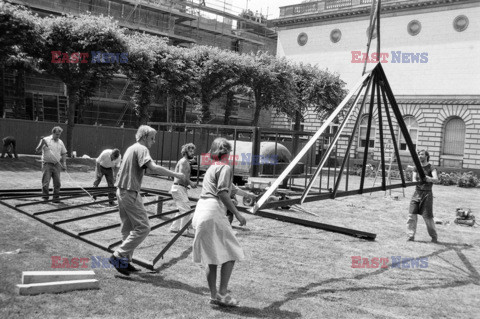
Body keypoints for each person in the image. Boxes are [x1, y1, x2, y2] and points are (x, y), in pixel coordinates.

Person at [109, 125, 186, 275]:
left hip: (121, 190)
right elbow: (153, 168)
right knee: (143, 228)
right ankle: (118, 255)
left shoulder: (131, 148)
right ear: (144, 137)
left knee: (128, 228)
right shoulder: (142, 149)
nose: (154, 141)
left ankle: (125, 262)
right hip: (130, 192)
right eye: (152, 138)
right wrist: (177, 175)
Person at [191, 137, 247, 307]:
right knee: (232, 252)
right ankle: (222, 293)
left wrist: (250, 195)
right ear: (228, 152)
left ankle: (214, 295)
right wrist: (237, 214)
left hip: (201, 210)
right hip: (213, 211)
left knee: (211, 256)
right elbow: (223, 192)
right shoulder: (226, 167)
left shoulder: (212, 168)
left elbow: (231, 188)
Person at [406, 149, 438, 243]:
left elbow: (436, 179)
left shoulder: (431, 167)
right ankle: (410, 236)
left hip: (427, 194)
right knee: (411, 215)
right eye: (419, 154)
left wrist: (430, 179)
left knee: (428, 217)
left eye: (422, 154)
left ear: (426, 156)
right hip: (417, 193)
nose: (420, 156)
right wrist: (415, 181)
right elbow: (414, 179)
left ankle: (434, 237)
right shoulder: (416, 167)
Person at [169, 143, 197, 238]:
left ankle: (174, 228)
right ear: (185, 152)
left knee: (181, 209)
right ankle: (184, 231)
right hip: (179, 187)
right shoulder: (184, 162)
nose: (192, 153)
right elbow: (181, 175)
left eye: (193, 151)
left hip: (180, 187)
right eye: (190, 151)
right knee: (186, 210)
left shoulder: (185, 161)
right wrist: (191, 183)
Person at [35, 127, 67, 203]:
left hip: (57, 165)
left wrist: (64, 163)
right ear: (53, 133)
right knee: (45, 182)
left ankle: (56, 198)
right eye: (56, 134)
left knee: (57, 183)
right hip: (47, 164)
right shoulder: (45, 140)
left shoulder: (60, 142)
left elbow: (64, 153)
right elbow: (37, 150)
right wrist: (42, 144)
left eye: (59, 135)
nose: (58, 136)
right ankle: (45, 198)